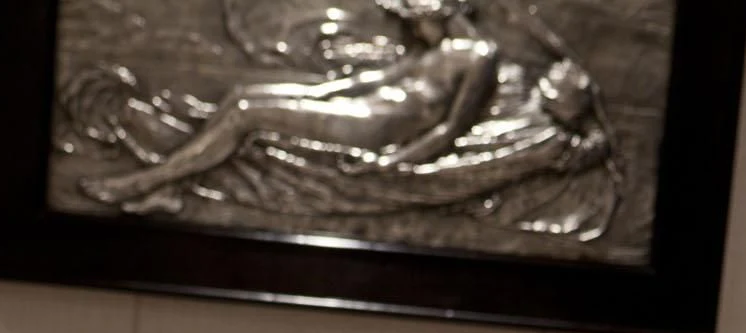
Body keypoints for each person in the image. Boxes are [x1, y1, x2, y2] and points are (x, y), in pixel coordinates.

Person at [80, 1, 513, 209]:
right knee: (244, 98)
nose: (411, 27)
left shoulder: (479, 57)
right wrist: (307, 95)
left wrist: (394, 162)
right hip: (364, 110)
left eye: (412, 17)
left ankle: (145, 183)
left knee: (251, 113)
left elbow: (452, 128)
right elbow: (364, 82)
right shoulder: (429, 53)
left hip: (375, 127)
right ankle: (170, 189)